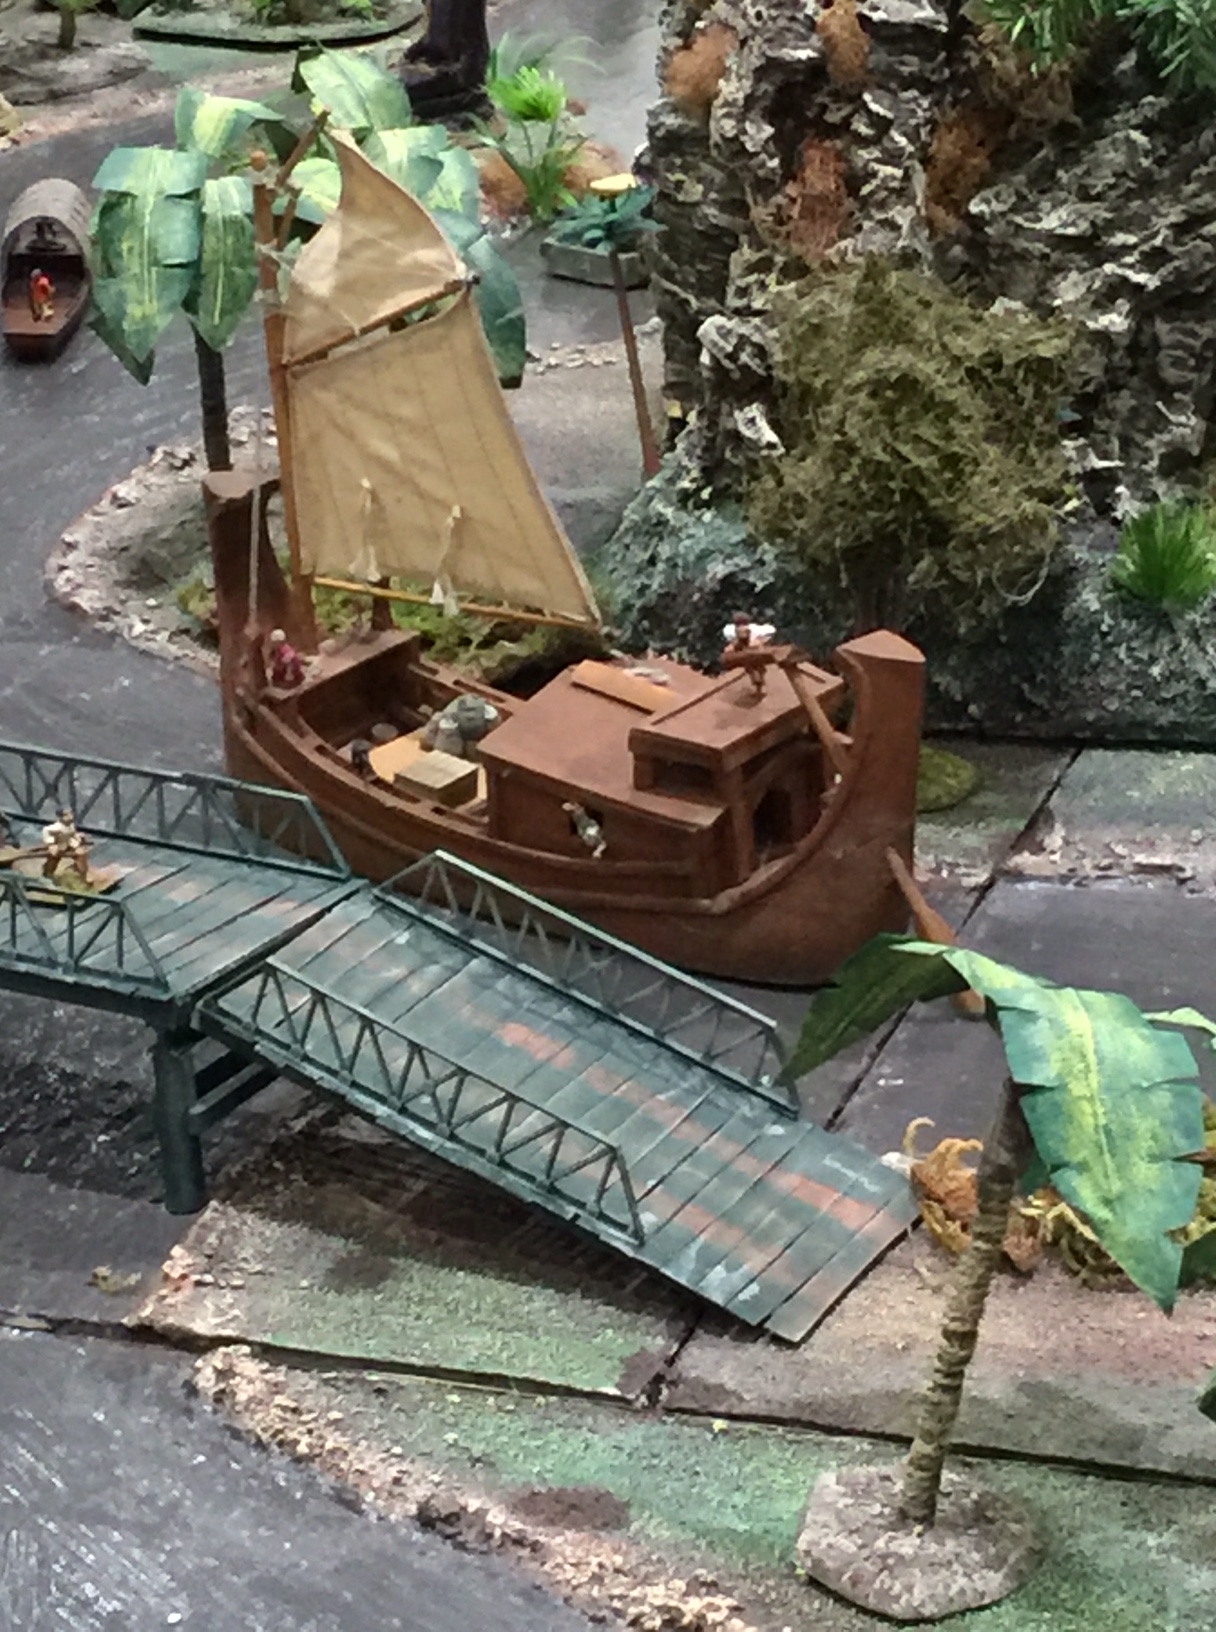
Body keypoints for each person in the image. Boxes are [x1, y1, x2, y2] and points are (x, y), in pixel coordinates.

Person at [41, 808, 91, 882]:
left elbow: (73, 833)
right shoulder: (57, 827)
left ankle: (81, 875)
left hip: (69, 844)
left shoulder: (71, 825)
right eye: (67, 815)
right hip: (59, 846)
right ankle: (47, 875)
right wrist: (51, 844)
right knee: (53, 861)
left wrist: (78, 838)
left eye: (71, 814)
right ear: (62, 817)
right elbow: (46, 830)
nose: (71, 816)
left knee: (81, 855)